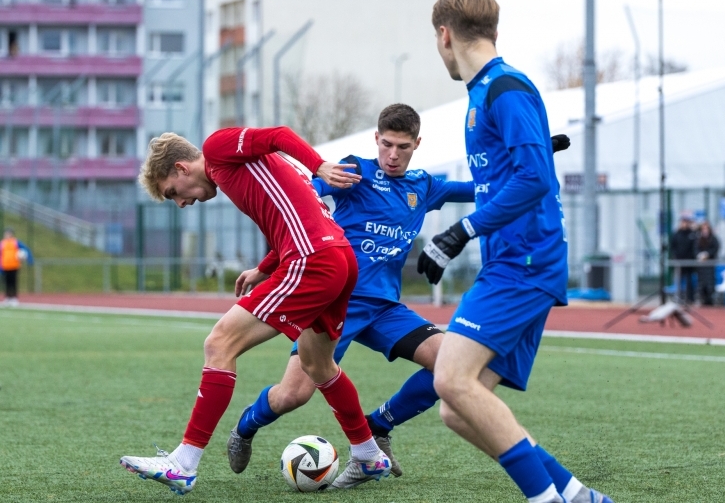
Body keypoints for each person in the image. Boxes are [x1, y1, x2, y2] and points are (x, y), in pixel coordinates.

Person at [226, 103, 573, 488]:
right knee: (293, 394)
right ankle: (245, 427)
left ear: (417, 144)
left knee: (451, 367)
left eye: (402, 147)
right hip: (337, 301)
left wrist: (534, 156)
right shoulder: (354, 170)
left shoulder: (423, 186)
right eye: (387, 144)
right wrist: (267, 265)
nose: (392, 155)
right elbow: (304, 203)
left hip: (386, 308)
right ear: (376, 139)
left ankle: (378, 425)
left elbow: (482, 190)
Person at [120, 126, 392, 495]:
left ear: (181, 169)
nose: (181, 203)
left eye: (173, 194)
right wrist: (264, 268)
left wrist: (319, 165)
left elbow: (278, 133)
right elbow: (290, 212)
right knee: (318, 365)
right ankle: (368, 453)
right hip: (338, 257)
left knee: (219, 343)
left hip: (312, 260)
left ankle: (183, 462)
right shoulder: (235, 171)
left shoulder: (216, 149)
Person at [416, 0, 613, 502]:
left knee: (452, 379)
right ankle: (575, 495)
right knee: (458, 405)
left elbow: (533, 178)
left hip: (523, 264)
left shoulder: (502, 88)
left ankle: (545, 499)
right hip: (517, 263)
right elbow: (519, 167)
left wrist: (460, 231)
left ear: (444, 35)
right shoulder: (486, 92)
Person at [1, 228, 32, 306]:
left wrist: (29, 259)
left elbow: (25, 249)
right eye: (6, 233)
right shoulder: (2, 243)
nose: (7, 235)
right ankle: (7, 298)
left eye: (8, 233)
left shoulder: (15, 242)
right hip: (5, 266)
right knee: (6, 283)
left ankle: (14, 298)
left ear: (11, 234)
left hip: (14, 266)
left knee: (14, 282)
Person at [670, 215, 697, 303]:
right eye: (683, 222)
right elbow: (673, 246)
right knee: (678, 280)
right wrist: (675, 257)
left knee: (689, 280)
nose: (684, 224)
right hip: (679, 262)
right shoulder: (676, 234)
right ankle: (679, 297)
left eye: (686, 222)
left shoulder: (692, 234)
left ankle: (690, 298)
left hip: (689, 261)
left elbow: (695, 247)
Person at [694, 221, 720, 306]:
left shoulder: (713, 239)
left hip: (710, 265)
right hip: (701, 266)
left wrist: (707, 254)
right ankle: (703, 299)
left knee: (710, 284)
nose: (705, 230)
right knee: (701, 284)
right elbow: (695, 249)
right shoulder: (698, 239)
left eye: (706, 228)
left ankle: (710, 300)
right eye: (703, 228)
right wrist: (700, 255)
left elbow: (715, 248)